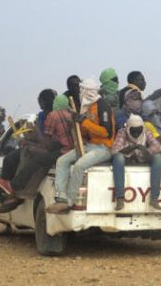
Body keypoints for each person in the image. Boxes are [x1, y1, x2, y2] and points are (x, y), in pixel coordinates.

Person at [47, 78, 116, 214]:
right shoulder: (87, 107)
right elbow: (85, 130)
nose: (81, 92)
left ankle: (69, 202)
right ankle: (61, 198)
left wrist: (84, 122)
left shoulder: (102, 106)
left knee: (79, 165)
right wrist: (75, 121)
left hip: (104, 148)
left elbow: (106, 132)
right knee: (62, 161)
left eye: (82, 90)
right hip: (90, 145)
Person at [111, 115, 161, 210]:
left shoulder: (146, 131)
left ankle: (154, 198)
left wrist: (146, 150)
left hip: (143, 156)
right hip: (127, 158)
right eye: (133, 131)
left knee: (158, 157)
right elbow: (115, 150)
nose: (136, 133)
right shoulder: (122, 132)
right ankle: (120, 198)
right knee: (118, 158)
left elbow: (158, 147)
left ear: (142, 128)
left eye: (138, 130)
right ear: (128, 128)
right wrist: (131, 148)